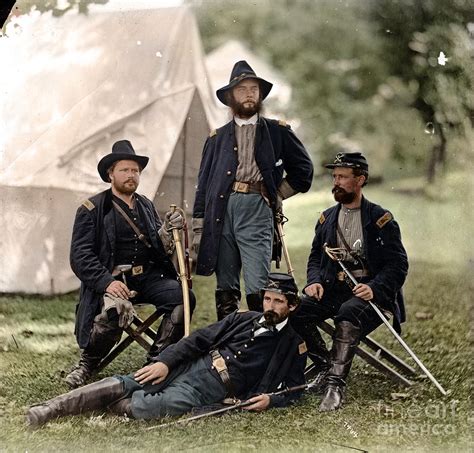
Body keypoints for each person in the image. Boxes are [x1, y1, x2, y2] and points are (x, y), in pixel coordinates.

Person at [26, 273, 307, 427]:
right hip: (192, 363)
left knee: (149, 406)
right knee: (133, 380)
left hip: (211, 389)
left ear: (291, 306)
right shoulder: (242, 318)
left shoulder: (293, 345)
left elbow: (295, 389)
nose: (269, 306)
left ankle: (104, 403)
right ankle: (50, 409)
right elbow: (197, 340)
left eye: (278, 301)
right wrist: (166, 362)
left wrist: (272, 401)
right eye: (267, 299)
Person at [65, 140, 196, 389]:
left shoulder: (146, 204)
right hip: (113, 281)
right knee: (113, 313)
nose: (131, 175)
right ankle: (87, 365)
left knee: (183, 298)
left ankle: (157, 361)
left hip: (147, 278)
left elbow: (158, 243)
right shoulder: (91, 209)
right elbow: (80, 256)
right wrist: (107, 283)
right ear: (110, 174)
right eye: (124, 170)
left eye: (135, 171)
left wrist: (170, 228)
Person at [192, 60, 313, 320]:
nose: (249, 93)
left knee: (258, 282)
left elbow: (304, 171)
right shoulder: (216, 137)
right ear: (230, 96)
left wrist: (277, 193)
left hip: (256, 208)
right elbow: (203, 184)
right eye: (242, 89)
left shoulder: (277, 131)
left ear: (259, 95)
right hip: (220, 213)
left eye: (254, 89)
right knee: (225, 282)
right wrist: (199, 226)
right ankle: (229, 340)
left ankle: (259, 342)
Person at [291, 151, 408, 411]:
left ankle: (334, 386)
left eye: (343, 177)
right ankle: (323, 364)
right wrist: (314, 281)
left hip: (372, 297)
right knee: (295, 308)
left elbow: (398, 264)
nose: (337, 182)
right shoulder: (326, 218)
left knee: (348, 312)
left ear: (361, 180)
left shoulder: (380, 219)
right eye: (335, 176)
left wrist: (374, 287)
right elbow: (315, 256)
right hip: (335, 290)